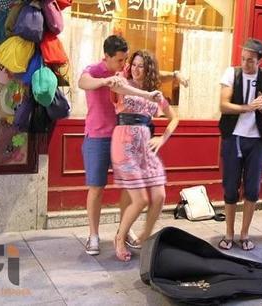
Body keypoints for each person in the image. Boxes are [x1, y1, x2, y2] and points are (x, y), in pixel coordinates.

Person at [78, 35, 163, 256]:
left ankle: (123, 231)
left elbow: (140, 77)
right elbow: (82, 82)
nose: (125, 65)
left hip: (122, 138)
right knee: (96, 188)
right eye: (120, 60)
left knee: (128, 187)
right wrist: (104, 82)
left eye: (126, 60)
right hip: (97, 137)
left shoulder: (122, 73)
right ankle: (94, 235)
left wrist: (173, 76)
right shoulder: (94, 69)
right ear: (106, 57)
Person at [110, 50, 179, 261]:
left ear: (148, 69)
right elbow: (116, 87)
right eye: (134, 64)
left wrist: (162, 139)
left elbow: (174, 118)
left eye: (141, 66)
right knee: (139, 200)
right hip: (124, 141)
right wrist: (148, 94)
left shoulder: (155, 93)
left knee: (159, 196)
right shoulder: (122, 81)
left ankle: (145, 236)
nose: (136, 69)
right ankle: (120, 238)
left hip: (145, 144)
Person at [218, 38, 262, 251]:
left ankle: (244, 234)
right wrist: (248, 107)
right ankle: (229, 234)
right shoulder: (231, 73)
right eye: (243, 59)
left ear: (260, 60)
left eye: (250, 60)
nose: (245, 63)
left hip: (256, 140)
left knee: (252, 188)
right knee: (230, 186)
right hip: (233, 136)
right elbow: (223, 105)